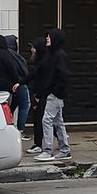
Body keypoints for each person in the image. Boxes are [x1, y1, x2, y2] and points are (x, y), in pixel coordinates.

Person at [33, 29, 72, 162]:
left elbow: (63, 75)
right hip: (53, 93)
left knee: (47, 120)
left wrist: (54, 90)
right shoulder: (53, 54)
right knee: (58, 121)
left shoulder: (59, 55)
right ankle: (65, 149)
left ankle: (47, 150)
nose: (47, 39)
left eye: (49, 37)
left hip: (54, 94)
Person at [22, 36, 51, 154]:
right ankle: (59, 141)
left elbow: (34, 76)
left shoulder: (44, 62)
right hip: (40, 94)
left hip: (45, 95)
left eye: (34, 48)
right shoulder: (40, 61)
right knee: (46, 120)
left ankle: (41, 145)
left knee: (42, 120)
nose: (32, 50)